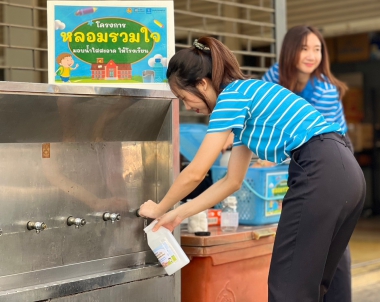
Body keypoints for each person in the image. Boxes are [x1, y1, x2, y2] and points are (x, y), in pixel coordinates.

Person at [138, 36, 366, 302]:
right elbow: (232, 181)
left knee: (288, 288)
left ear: (202, 83)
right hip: (347, 171)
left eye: (183, 97)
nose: (188, 106)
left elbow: (196, 172)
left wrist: (159, 208)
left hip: (320, 169)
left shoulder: (230, 99)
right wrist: (178, 214)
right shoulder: (249, 95)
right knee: (316, 288)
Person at [262, 25, 353, 302]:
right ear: (290, 50)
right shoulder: (275, 75)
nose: (311, 55)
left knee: (333, 244)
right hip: (298, 158)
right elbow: (264, 113)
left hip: (332, 157)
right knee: (314, 242)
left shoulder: (324, 90)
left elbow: (313, 140)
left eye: (317, 49)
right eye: (304, 48)